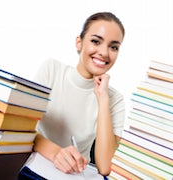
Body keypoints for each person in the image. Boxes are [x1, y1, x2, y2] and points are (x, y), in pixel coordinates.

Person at [33, 12, 125, 176]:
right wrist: (55, 153)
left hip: (74, 175)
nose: (104, 52)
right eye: (96, 41)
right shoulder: (52, 71)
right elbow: (20, 129)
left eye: (113, 47)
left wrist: (103, 98)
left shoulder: (115, 100)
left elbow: (105, 167)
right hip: (33, 164)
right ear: (79, 42)